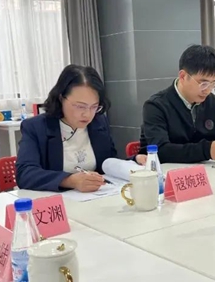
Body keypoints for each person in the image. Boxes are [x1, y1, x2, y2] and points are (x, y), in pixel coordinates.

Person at [16, 65, 146, 192]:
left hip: (94, 198)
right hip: (56, 200)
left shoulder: (98, 122)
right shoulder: (36, 127)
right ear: (61, 98)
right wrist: (69, 180)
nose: (87, 114)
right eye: (80, 106)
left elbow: (107, 163)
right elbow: (25, 174)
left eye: (94, 106)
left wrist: (134, 161)